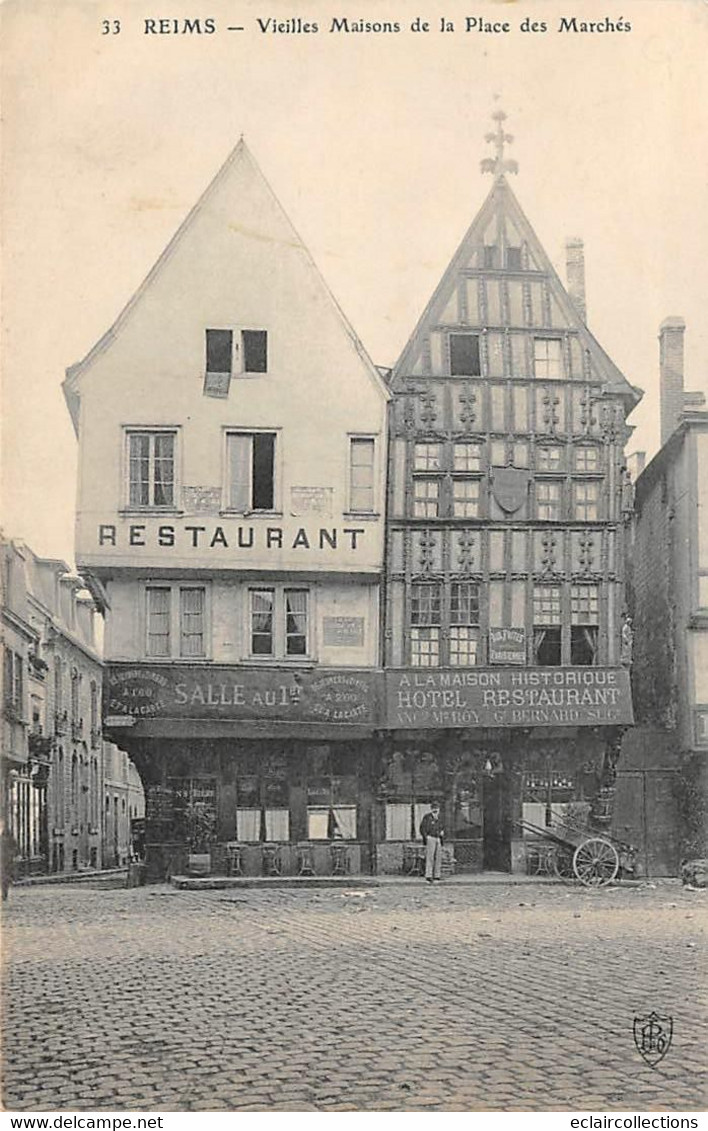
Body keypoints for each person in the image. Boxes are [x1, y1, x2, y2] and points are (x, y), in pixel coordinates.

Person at [419, 802, 444, 882]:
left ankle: (437, 875)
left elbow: (443, 827)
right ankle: (429, 875)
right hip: (431, 838)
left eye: (437, 808)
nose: (435, 809)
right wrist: (426, 837)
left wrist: (442, 833)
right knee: (430, 857)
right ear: (431, 809)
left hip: (438, 838)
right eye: (434, 808)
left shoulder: (440, 818)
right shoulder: (427, 817)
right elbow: (422, 828)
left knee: (438, 857)